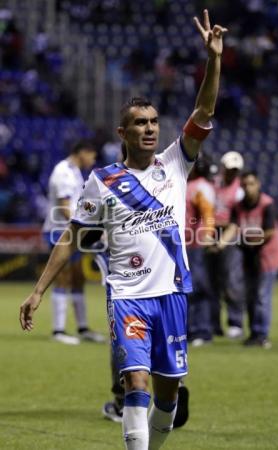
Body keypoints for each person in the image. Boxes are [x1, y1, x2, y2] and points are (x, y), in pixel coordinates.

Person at [20, 10, 227, 450]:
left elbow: (205, 109)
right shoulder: (102, 182)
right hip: (127, 296)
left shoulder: (177, 162)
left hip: (171, 293)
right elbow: (72, 237)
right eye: (140, 123)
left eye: (153, 122)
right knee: (136, 381)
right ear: (123, 132)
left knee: (168, 398)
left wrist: (214, 60)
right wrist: (38, 291)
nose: (150, 129)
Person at [42, 140, 105, 344]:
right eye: (92, 155)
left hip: (73, 232)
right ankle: (58, 331)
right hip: (59, 231)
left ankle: (83, 328)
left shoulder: (75, 171)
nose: (93, 160)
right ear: (83, 152)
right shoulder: (63, 172)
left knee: (78, 278)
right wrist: (85, 227)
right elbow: (63, 207)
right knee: (64, 278)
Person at [216, 171, 278, 348]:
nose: (248, 188)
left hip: (267, 256)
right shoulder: (238, 206)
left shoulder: (267, 204)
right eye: (245, 185)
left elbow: (269, 232)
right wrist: (221, 244)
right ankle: (254, 334)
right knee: (251, 297)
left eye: (251, 184)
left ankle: (262, 335)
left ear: (258, 184)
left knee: (262, 296)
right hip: (249, 256)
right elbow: (233, 226)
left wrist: (248, 240)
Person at [207, 150, 245, 338]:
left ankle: (235, 322)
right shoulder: (213, 184)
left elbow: (237, 220)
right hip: (210, 232)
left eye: (235, 170)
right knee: (211, 282)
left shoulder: (239, 190)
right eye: (229, 169)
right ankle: (214, 324)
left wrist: (223, 241)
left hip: (231, 235)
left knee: (232, 280)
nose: (232, 173)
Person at [185, 153, 217, 346]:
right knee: (186, 288)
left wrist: (207, 233)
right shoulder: (188, 185)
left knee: (199, 287)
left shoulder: (201, 186)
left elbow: (207, 213)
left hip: (196, 245)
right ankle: (190, 329)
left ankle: (202, 330)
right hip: (184, 244)